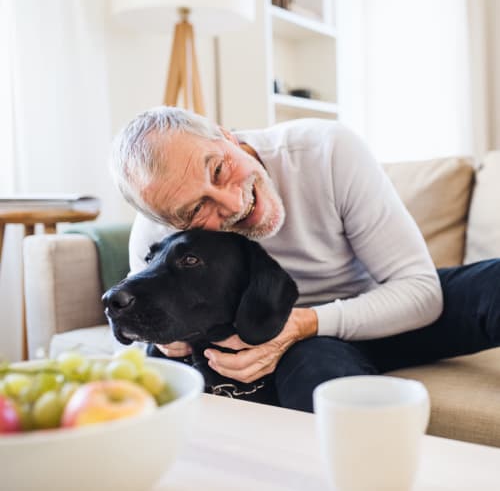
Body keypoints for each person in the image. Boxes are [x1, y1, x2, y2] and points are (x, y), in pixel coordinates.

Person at [110, 106, 500, 412]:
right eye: (197, 209)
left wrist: (305, 323)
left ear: (225, 135)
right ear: (168, 220)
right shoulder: (158, 230)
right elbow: (139, 339)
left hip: (384, 308)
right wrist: (167, 341)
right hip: (309, 347)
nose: (232, 202)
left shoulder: (327, 150)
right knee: (321, 382)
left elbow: (421, 293)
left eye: (219, 169)